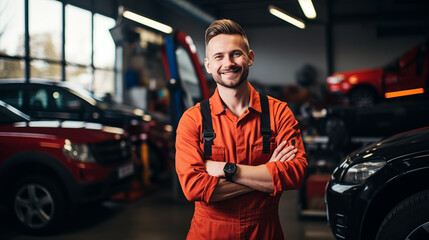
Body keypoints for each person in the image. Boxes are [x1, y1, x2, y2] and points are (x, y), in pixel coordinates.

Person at [175, 19, 307, 240]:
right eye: (219, 56)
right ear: (208, 65)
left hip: (264, 231)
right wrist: (268, 174)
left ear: (250, 58)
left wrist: (228, 170)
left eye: (236, 54)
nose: (228, 63)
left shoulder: (279, 113)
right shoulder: (193, 120)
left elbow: (295, 173)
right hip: (208, 232)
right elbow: (194, 187)